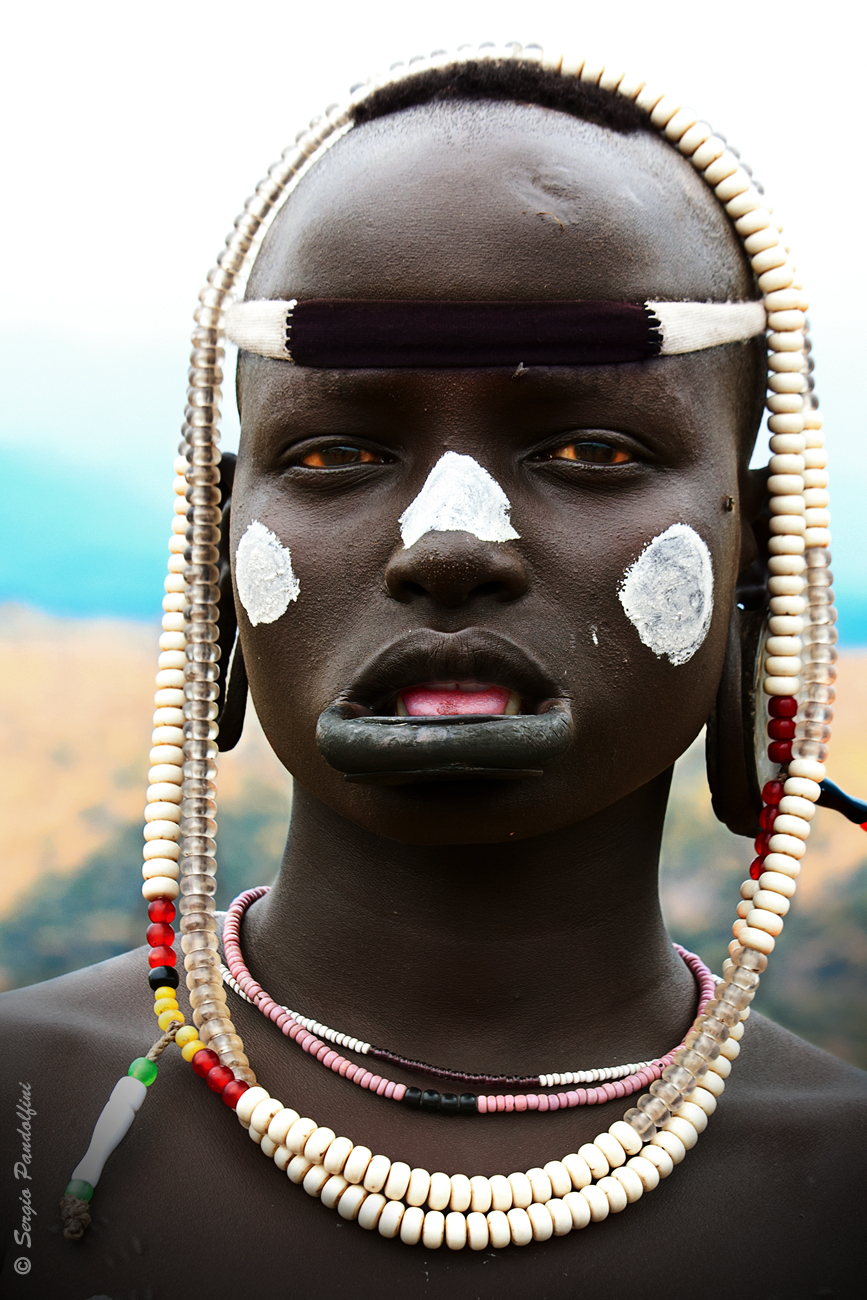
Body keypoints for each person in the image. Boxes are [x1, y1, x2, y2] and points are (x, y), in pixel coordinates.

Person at [1, 47, 864, 1300]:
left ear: (760, 560)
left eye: (590, 446)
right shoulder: (31, 1108)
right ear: (219, 542)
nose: (450, 539)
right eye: (341, 451)